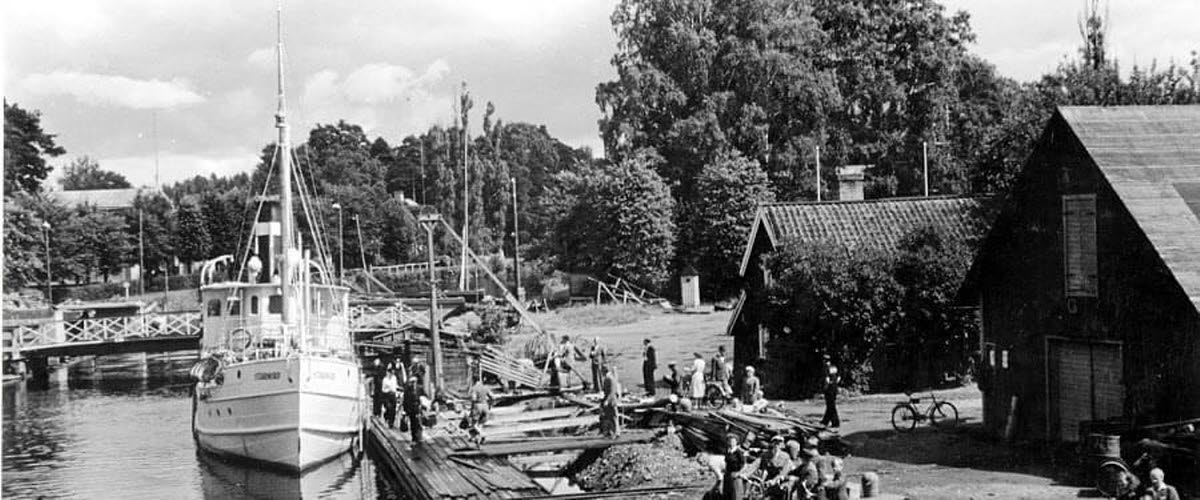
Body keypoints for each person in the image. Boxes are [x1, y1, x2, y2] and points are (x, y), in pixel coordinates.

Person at [467, 376, 491, 447]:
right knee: (480, 424)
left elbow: (473, 398)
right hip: (485, 405)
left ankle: (482, 435)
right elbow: (492, 396)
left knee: (474, 424)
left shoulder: (474, 388)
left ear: (473, 380)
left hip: (477, 406)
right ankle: (477, 440)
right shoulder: (485, 387)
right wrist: (490, 405)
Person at [723, 433, 747, 500]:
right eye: (730, 441)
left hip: (736, 476)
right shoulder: (727, 451)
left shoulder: (739, 452)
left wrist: (738, 473)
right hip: (728, 476)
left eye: (733, 441)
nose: (731, 443)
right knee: (727, 495)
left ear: (736, 442)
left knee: (736, 495)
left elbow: (744, 465)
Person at [600, 364, 621, 438]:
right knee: (609, 416)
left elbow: (612, 391)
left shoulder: (610, 378)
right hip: (608, 399)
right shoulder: (607, 378)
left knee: (614, 417)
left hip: (611, 400)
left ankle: (616, 432)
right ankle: (611, 431)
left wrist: (607, 400)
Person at [402, 376, 424, 443]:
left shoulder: (419, 388)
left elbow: (422, 396)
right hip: (411, 409)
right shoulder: (407, 390)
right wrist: (405, 411)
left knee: (419, 423)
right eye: (412, 382)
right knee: (413, 424)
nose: (413, 383)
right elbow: (405, 400)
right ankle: (414, 438)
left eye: (414, 382)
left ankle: (419, 437)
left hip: (417, 408)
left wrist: (421, 404)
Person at [820, 356, 841, 428]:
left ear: (825, 361)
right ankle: (825, 421)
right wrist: (835, 384)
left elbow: (827, 379)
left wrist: (825, 388)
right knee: (831, 404)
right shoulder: (834, 367)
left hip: (829, 388)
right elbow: (838, 378)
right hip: (835, 387)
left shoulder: (826, 368)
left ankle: (835, 422)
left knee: (831, 405)